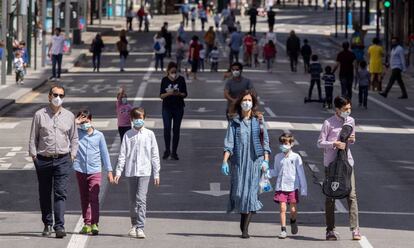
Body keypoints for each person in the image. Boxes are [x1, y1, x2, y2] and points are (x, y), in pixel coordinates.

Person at [29, 85, 79, 238]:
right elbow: (33, 138)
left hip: (63, 160)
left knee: (60, 193)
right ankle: (47, 223)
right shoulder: (39, 115)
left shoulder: (69, 116)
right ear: (49, 96)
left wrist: (72, 154)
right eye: (55, 94)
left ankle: (59, 226)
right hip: (43, 160)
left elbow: (74, 138)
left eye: (61, 95)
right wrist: (34, 156)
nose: (58, 98)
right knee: (44, 193)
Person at [222, 90, 271, 239]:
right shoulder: (234, 122)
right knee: (239, 194)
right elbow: (229, 144)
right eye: (244, 100)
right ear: (240, 103)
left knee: (250, 195)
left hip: (255, 163)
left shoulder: (259, 121)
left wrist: (266, 160)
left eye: (249, 100)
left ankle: (245, 230)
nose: (247, 102)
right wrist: (225, 161)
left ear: (253, 103)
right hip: (238, 164)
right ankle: (243, 224)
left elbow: (266, 143)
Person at [317, 96, 361, 241]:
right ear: (337, 109)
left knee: (351, 195)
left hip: (347, 164)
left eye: (349, 108)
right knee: (330, 197)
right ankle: (330, 230)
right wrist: (334, 144)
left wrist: (352, 140)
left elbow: (351, 140)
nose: (348, 111)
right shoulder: (328, 123)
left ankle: (355, 229)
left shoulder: (351, 121)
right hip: (331, 164)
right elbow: (320, 143)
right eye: (345, 109)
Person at [114, 107, 161, 239]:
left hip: (145, 172)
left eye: (140, 119)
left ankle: (140, 227)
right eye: (136, 119)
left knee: (141, 199)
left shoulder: (149, 134)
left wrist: (156, 173)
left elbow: (154, 154)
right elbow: (122, 154)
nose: (138, 121)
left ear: (144, 119)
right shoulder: (128, 135)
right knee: (132, 201)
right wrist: (118, 171)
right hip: (130, 172)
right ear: (131, 120)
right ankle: (134, 225)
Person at [74, 110, 113, 235]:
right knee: (84, 197)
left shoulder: (99, 135)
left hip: (95, 170)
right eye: (82, 122)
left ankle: (95, 223)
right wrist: (75, 123)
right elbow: (64, 131)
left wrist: (109, 171)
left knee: (94, 197)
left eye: (86, 121)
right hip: (80, 169)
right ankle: (87, 223)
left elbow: (105, 153)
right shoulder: (76, 133)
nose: (84, 124)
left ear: (91, 120)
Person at [266, 133, 307, 239]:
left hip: (293, 187)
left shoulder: (296, 157)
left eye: (286, 143)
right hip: (281, 187)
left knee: (293, 210)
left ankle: (293, 221)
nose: (284, 145)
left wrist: (303, 189)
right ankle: (283, 230)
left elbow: (301, 173)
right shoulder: (278, 157)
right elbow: (275, 171)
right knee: (283, 209)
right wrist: (266, 173)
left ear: (291, 144)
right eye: (282, 143)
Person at [160, 62, 188, 160]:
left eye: (175, 72)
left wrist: (179, 93)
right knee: (167, 129)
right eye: (172, 72)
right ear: (168, 71)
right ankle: (167, 150)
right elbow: (161, 95)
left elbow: (185, 94)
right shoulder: (164, 80)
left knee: (176, 130)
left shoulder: (181, 80)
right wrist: (169, 93)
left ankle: (174, 152)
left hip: (178, 108)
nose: (174, 73)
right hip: (167, 108)